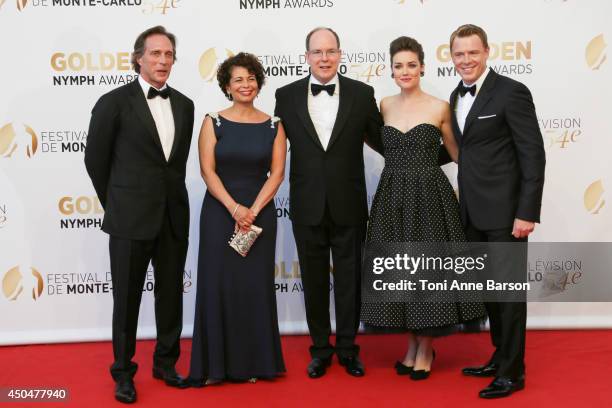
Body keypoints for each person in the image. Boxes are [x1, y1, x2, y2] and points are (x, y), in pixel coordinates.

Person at [360, 36, 486, 381]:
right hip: (391, 198)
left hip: (430, 196)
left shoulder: (439, 107)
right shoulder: (384, 105)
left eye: (411, 65)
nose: (405, 71)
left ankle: (425, 347)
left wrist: (484, 187)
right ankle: (415, 345)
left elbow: (460, 156)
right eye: (398, 66)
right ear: (391, 70)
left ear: (422, 67)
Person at [84, 26, 194, 403]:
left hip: (172, 217)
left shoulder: (185, 104)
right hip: (130, 218)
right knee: (127, 300)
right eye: (155, 54)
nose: (162, 61)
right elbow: (95, 161)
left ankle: (166, 363)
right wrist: (117, 203)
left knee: (170, 297)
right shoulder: (113, 102)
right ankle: (123, 372)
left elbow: (174, 166)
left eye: (168, 55)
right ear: (138, 57)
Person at [274, 27, 383, 379]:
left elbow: (383, 141)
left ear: (339, 54)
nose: (324, 58)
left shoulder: (362, 94)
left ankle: (349, 348)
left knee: (350, 281)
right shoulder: (285, 95)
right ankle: (321, 349)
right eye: (317, 52)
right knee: (315, 280)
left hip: (349, 203)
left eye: (331, 51)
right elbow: (273, 147)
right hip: (306, 205)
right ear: (306, 56)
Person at [448, 24, 545, 398]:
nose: (466, 60)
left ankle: (512, 373)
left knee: (507, 296)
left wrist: (527, 212)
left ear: (487, 52)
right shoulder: (456, 95)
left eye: (473, 52)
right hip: (472, 214)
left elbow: (532, 154)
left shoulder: (511, 92)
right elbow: (465, 150)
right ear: (452, 56)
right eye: (459, 54)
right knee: (489, 293)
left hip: (507, 215)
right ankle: (499, 356)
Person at [188, 52, 287, 386]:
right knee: (219, 285)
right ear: (227, 87)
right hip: (220, 212)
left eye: (251, 78)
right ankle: (215, 366)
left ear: (258, 83)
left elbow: (276, 175)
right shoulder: (212, 121)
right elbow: (207, 170)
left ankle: (254, 364)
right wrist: (234, 209)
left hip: (259, 215)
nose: (246, 85)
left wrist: (252, 212)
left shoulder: (274, 124)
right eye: (238, 80)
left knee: (253, 287)